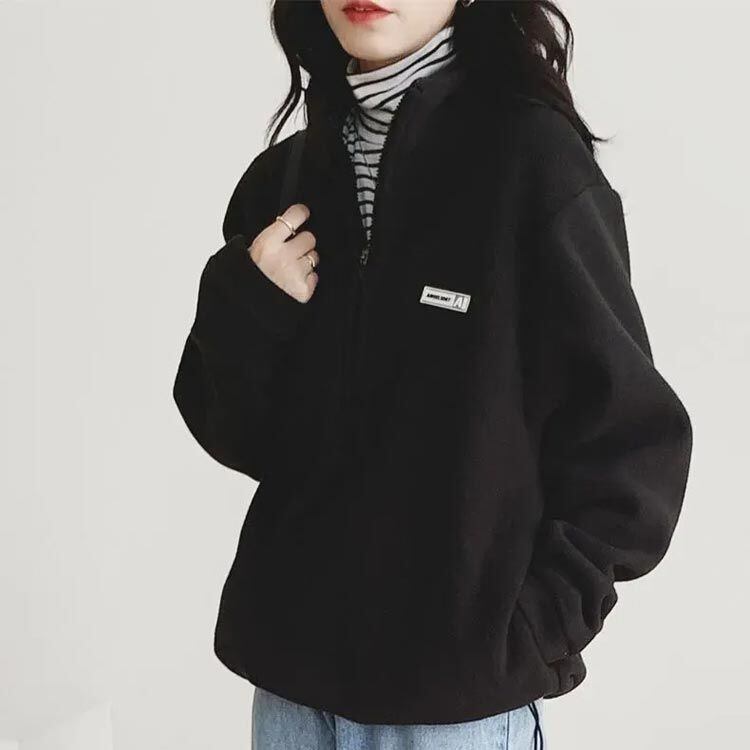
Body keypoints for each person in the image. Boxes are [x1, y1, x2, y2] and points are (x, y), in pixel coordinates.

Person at [171, 1, 694, 748]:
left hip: (457, 709)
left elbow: (634, 443)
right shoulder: (283, 182)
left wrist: (528, 633)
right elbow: (241, 434)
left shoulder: (532, 164)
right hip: (292, 695)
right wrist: (251, 304)